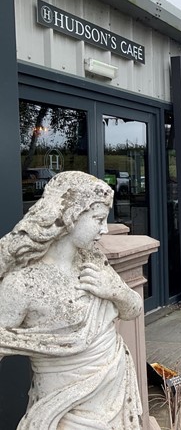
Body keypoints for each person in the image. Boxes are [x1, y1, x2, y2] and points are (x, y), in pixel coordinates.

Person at [0, 171, 143, 429]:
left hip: (116, 393)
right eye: (98, 219)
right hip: (64, 411)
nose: (104, 229)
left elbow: (133, 308)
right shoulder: (22, 285)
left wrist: (116, 291)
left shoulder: (92, 261)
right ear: (71, 217)